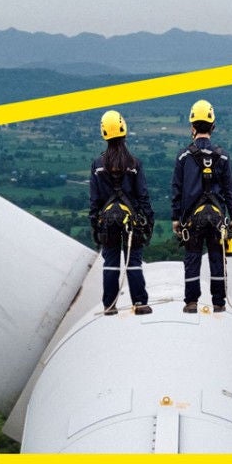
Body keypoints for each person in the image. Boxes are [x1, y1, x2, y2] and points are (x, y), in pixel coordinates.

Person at [171, 98, 232, 313]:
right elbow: (229, 191)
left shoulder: (183, 157)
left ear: (192, 127)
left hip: (192, 218)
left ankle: (191, 302)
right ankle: (218, 302)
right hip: (218, 218)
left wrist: (175, 219)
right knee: (217, 258)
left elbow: (177, 190)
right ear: (213, 126)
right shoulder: (223, 157)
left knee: (192, 258)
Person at [89, 109, 153, 315]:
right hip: (130, 221)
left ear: (104, 133)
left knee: (111, 262)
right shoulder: (134, 164)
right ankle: (140, 302)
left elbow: (95, 200)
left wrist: (94, 225)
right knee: (133, 261)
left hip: (107, 222)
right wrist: (148, 222)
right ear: (124, 129)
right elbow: (142, 196)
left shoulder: (98, 165)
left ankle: (109, 305)